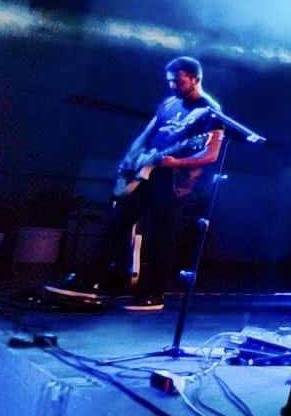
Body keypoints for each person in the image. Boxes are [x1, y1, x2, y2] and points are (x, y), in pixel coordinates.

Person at [45, 57, 224, 311]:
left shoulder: (210, 110)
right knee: (117, 224)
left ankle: (154, 294)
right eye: (170, 81)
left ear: (196, 79)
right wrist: (130, 161)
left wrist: (177, 162)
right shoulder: (169, 104)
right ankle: (88, 281)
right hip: (146, 173)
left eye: (179, 81)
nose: (173, 86)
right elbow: (147, 135)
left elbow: (211, 154)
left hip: (173, 179)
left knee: (162, 236)